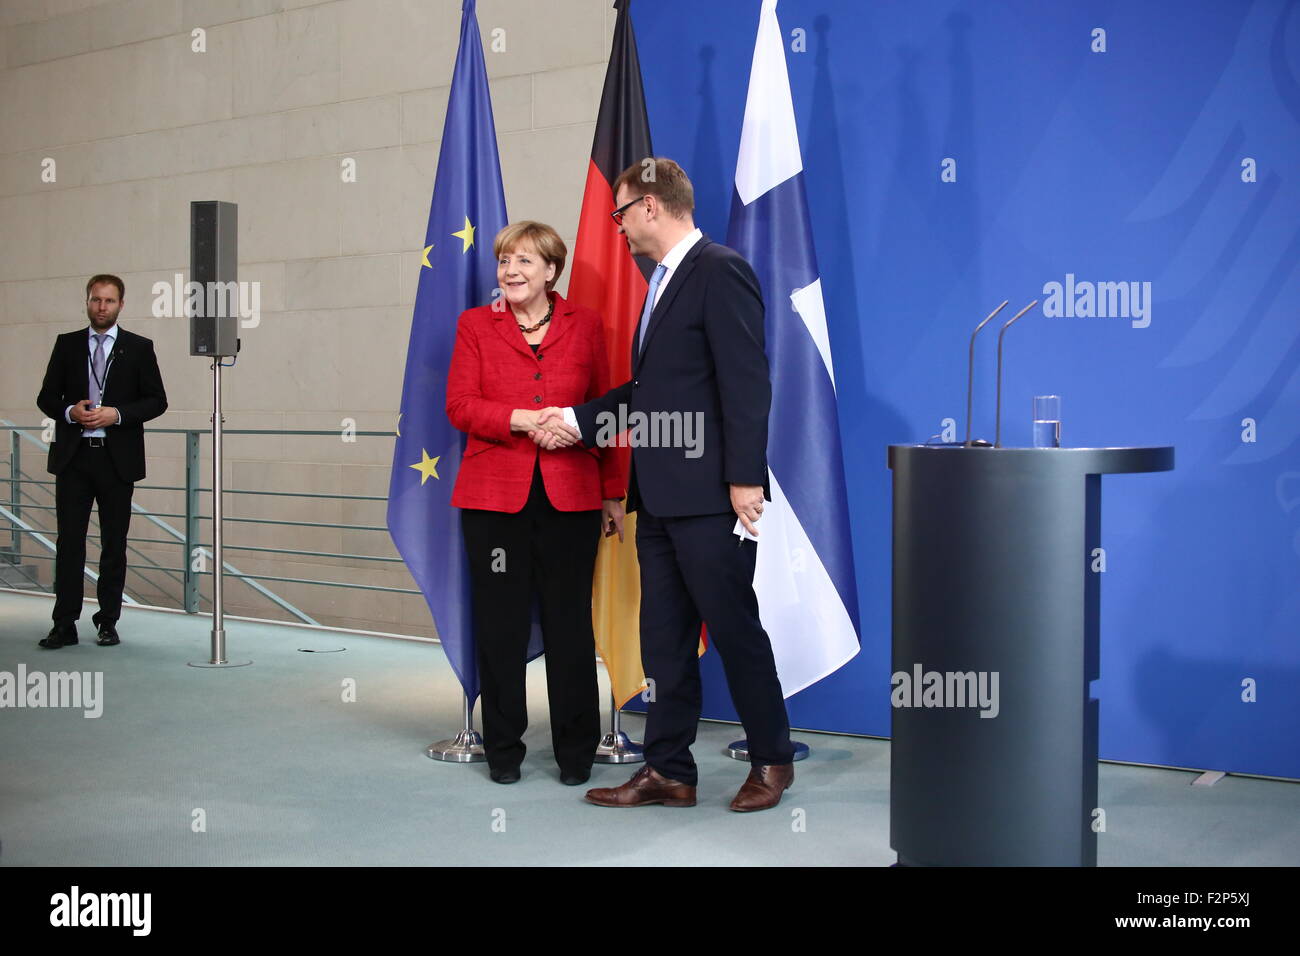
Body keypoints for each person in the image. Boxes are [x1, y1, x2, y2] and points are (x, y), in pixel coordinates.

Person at [535, 158, 796, 812]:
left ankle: (772, 760)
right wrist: (576, 420)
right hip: (661, 498)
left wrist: (743, 479)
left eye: (619, 212)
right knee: (666, 643)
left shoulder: (719, 270)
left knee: (735, 632)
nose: (615, 226)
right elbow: (654, 395)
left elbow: (747, 381)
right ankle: (669, 771)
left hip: (712, 498)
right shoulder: (662, 283)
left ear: (650, 206)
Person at [445, 221, 626, 786]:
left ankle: (576, 752)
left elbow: (609, 409)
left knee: (570, 626)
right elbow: (460, 405)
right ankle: (503, 750)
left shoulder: (587, 325)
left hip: (571, 496)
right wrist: (522, 420)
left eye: (524, 261)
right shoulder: (475, 324)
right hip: (494, 501)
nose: (510, 272)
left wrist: (614, 491)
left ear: (551, 270)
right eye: (504, 261)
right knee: (500, 626)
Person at [35, 274, 168, 649]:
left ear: (121, 304)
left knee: (114, 543)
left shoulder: (139, 348)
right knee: (70, 543)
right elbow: (46, 396)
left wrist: (118, 415)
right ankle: (64, 624)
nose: (101, 307)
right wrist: (68, 411)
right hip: (74, 460)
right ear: (87, 302)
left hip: (116, 461)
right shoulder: (67, 345)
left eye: (109, 301)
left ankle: (107, 621)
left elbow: (157, 400)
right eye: (95, 300)